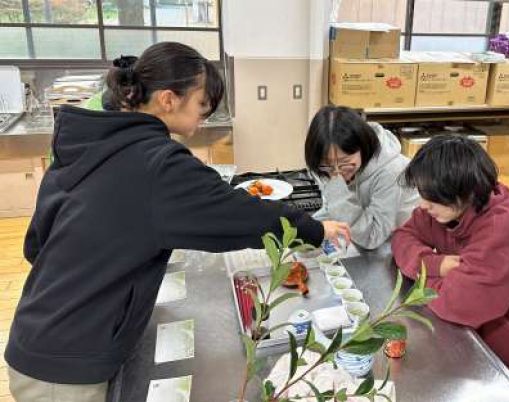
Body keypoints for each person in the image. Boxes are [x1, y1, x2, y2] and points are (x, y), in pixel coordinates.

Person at [5, 42, 350, 402]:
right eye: (202, 103)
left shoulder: (91, 139)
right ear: (168, 99)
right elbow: (238, 214)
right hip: (66, 368)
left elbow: (36, 245)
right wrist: (313, 228)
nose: (206, 114)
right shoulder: (156, 164)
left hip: (37, 333)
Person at [391, 135, 509, 400]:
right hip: (479, 337)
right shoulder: (447, 206)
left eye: (432, 199)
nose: (423, 205)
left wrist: (428, 279)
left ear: (465, 193)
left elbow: (456, 304)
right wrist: (437, 264)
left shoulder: (500, 231)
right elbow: (402, 238)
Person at [305, 105, 418, 250]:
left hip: (403, 241)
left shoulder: (391, 171)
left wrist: (336, 190)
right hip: (368, 237)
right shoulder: (325, 168)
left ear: (362, 146)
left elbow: (373, 236)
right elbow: (332, 209)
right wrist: (307, 230)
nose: (337, 172)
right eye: (327, 165)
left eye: (345, 163)